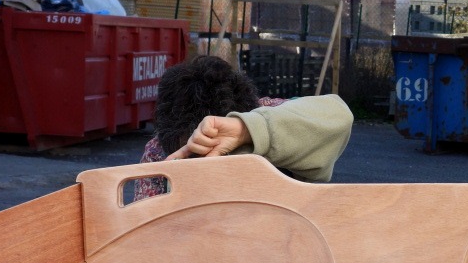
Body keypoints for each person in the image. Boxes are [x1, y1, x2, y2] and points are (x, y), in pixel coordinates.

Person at [136, 55, 352, 199]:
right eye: (194, 151)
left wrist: (248, 129)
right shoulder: (157, 153)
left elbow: (338, 115)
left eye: (216, 147)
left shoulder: (268, 112)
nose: (208, 160)